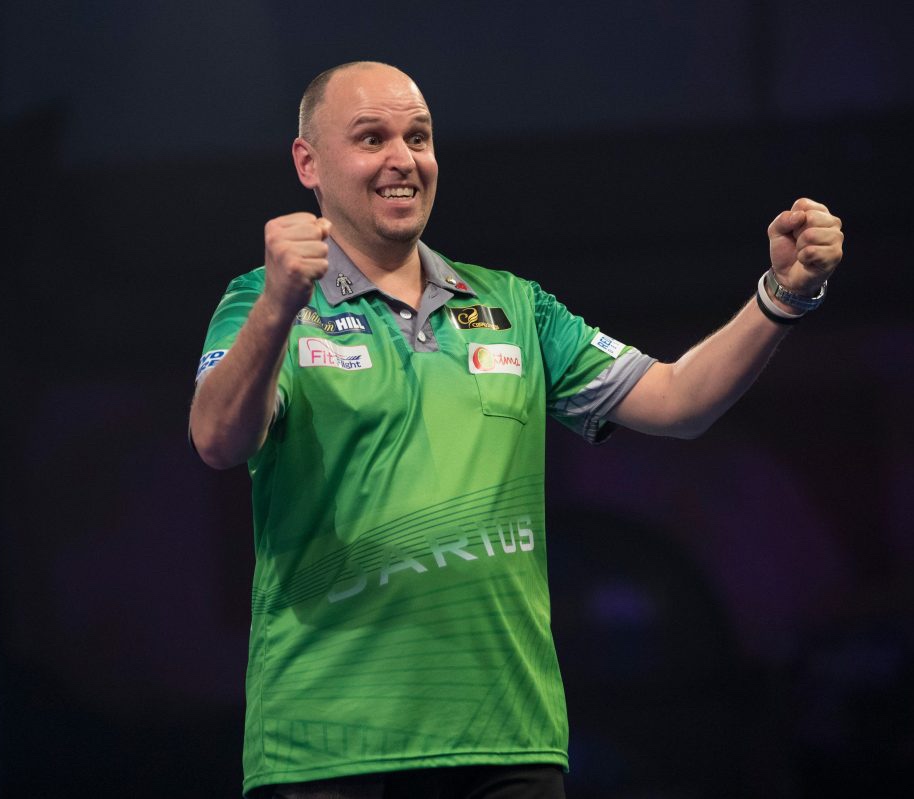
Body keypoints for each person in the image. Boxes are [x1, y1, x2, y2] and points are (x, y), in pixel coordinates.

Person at [189, 61, 843, 799]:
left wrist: (784, 295)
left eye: (418, 137)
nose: (403, 159)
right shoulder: (260, 301)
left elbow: (678, 401)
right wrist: (280, 303)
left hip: (505, 740)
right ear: (308, 163)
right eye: (372, 138)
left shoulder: (515, 307)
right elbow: (218, 439)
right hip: (328, 749)